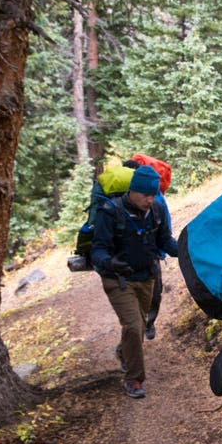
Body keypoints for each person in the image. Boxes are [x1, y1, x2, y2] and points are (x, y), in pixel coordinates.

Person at [91, 165, 178, 398]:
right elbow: (97, 251)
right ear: (133, 191)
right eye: (145, 195)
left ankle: (123, 352)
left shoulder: (157, 211)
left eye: (153, 194)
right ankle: (134, 380)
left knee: (137, 325)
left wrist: (185, 250)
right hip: (118, 280)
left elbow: (165, 241)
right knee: (133, 325)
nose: (150, 200)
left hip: (146, 277)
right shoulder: (110, 212)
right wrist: (111, 263)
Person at [122, 159, 172, 340]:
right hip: (124, 265)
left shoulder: (155, 201)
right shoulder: (117, 207)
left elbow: (164, 230)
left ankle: (147, 323)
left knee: (154, 294)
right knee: (133, 316)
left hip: (151, 259)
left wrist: (174, 248)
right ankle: (132, 342)